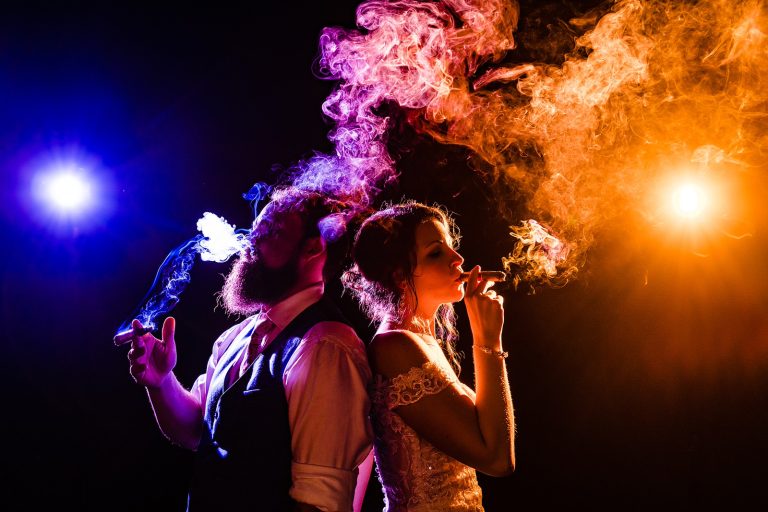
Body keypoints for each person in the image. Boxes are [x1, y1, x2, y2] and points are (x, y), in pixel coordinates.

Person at [120, 187, 374, 511]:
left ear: (312, 248)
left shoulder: (326, 346)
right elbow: (197, 431)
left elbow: (322, 501)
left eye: (272, 231)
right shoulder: (237, 336)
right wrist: (161, 381)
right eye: (257, 227)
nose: (251, 239)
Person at [342, 201, 515, 511]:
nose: (458, 258)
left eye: (451, 246)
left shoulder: (423, 341)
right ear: (399, 274)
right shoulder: (395, 346)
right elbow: (497, 459)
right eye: (436, 252)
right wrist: (488, 340)